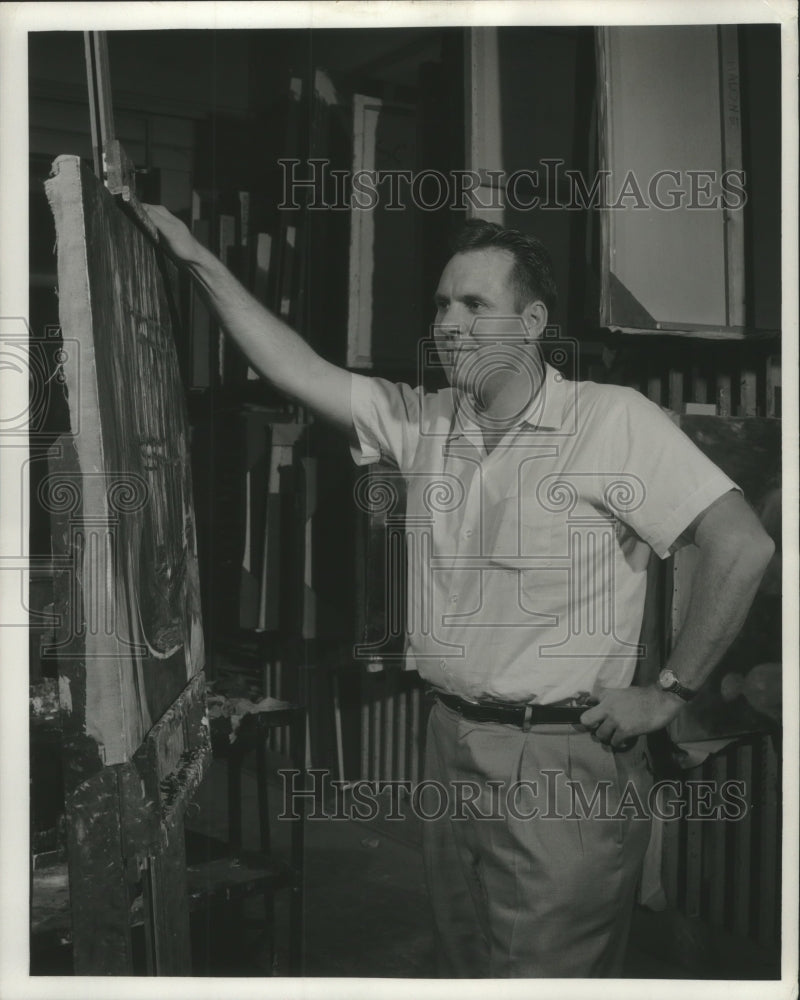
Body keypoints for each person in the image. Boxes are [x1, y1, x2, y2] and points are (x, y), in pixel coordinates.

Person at [144, 206, 774, 977]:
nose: (449, 322)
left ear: (533, 321)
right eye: (443, 305)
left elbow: (742, 544)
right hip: (451, 742)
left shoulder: (610, 422)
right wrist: (195, 255)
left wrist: (671, 692)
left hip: (561, 759)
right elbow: (298, 369)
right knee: (464, 965)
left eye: (476, 305)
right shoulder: (429, 422)